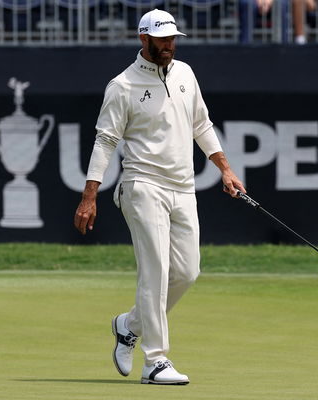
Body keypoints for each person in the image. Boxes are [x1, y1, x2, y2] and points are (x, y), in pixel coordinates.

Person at [73, 8, 245, 386]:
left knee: (186, 271)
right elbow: (105, 141)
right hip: (142, 184)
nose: (168, 45)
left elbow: (202, 124)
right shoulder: (122, 86)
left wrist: (226, 169)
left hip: (183, 187)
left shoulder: (185, 73)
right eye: (162, 39)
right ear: (143, 39)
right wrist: (90, 196)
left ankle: (128, 325)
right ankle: (155, 361)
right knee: (155, 270)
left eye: (172, 39)